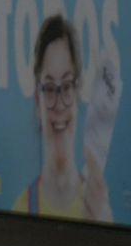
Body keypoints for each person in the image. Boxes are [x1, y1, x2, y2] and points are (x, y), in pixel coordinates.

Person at [12, 16, 113, 223]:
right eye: (49, 88)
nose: (59, 104)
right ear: (37, 100)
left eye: (66, 86)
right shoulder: (21, 210)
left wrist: (101, 225)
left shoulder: (99, 207)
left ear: (77, 92)